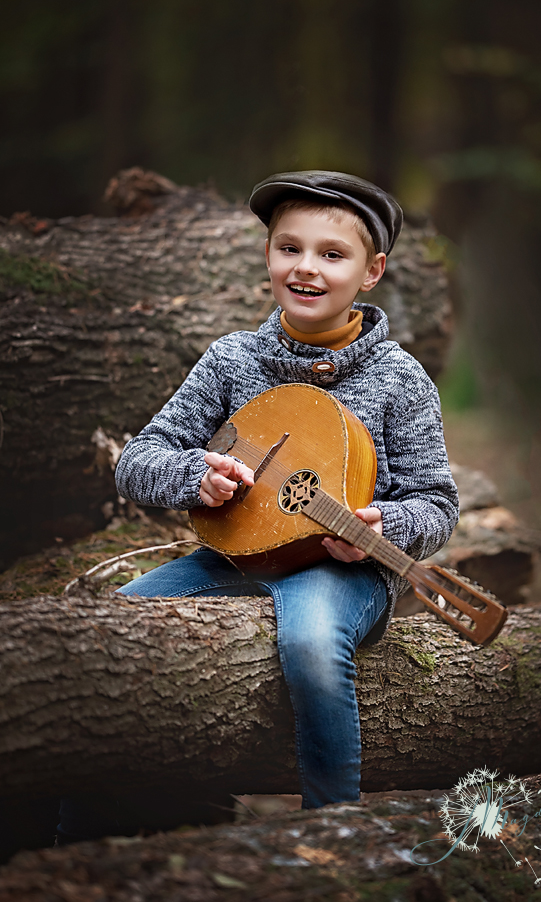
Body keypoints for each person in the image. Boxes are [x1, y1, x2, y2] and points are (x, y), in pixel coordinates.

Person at [57, 170, 458, 842]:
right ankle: (86, 832)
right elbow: (137, 461)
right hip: (234, 557)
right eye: (289, 248)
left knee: (306, 641)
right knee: (111, 628)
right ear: (267, 254)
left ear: (372, 271)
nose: (306, 268)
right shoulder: (231, 360)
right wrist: (194, 476)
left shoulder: (398, 377)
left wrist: (386, 526)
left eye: (333, 255)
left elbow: (437, 503)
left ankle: (334, 833)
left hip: (342, 569)